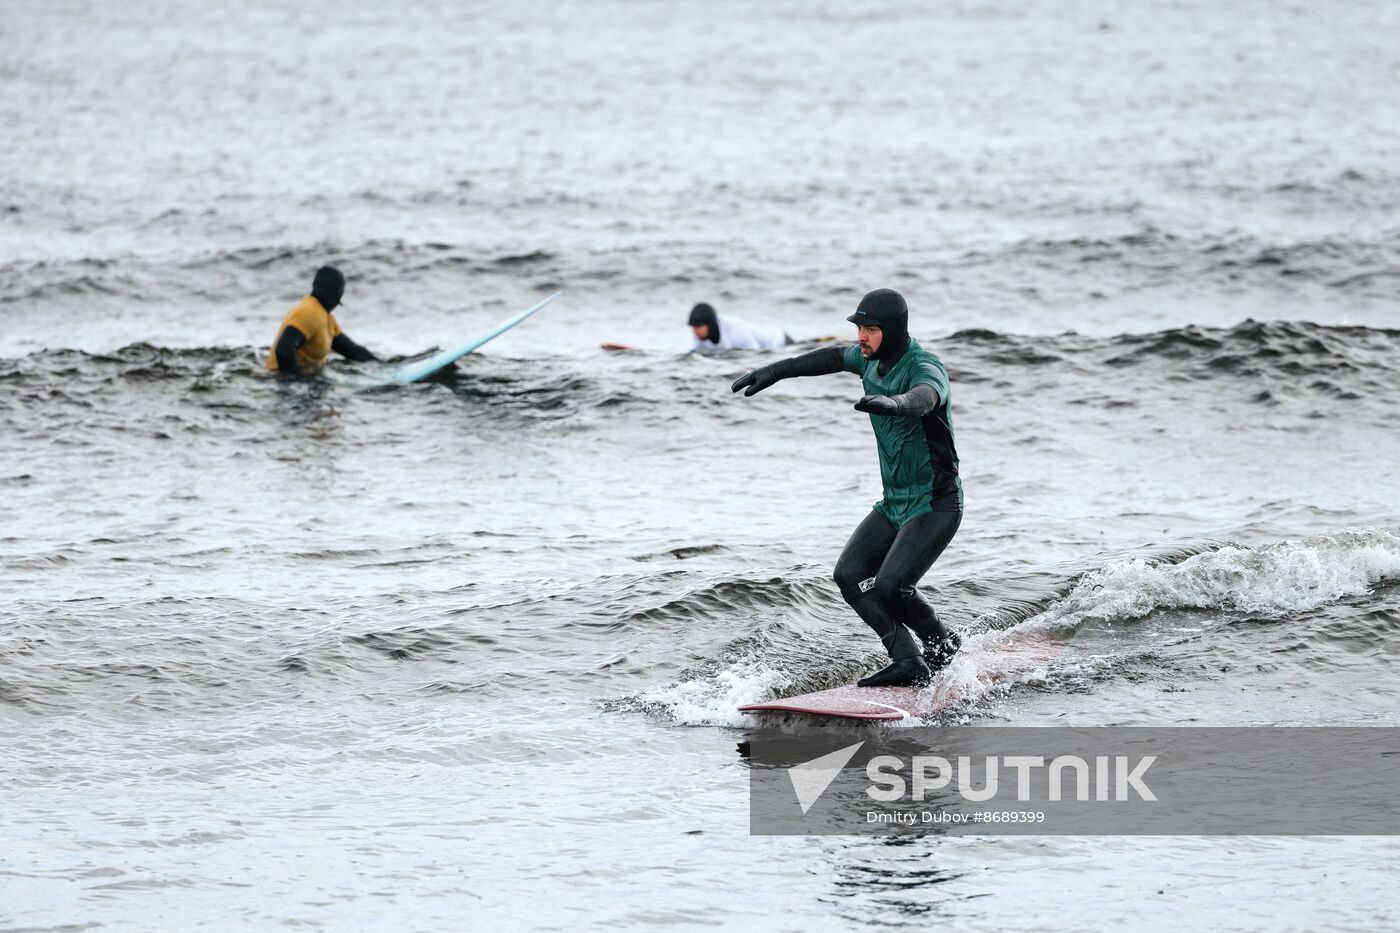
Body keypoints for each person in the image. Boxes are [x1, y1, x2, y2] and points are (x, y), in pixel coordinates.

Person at [731, 288, 962, 687]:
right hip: (895, 502)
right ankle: (907, 659)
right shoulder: (869, 361)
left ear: (892, 330)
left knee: (892, 585)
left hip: (936, 502)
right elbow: (833, 357)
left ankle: (942, 646)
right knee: (850, 573)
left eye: (871, 329)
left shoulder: (925, 365)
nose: (861, 338)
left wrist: (897, 404)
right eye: (860, 328)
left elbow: (927, 395)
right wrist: (776, 370)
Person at [266, 266, 377, 375]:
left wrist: (381, 365)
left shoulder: (326, 318)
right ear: (338, 294)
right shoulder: (308, 313)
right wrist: (295, 384)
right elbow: (283, 350)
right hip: (279, 380)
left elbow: (353, 351)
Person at [688, 302, 789, 354]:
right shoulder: (698, 336)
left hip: (782, 343)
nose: (695, 331)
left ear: (710, 324)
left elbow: (757, 355)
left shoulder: (736, 332)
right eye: (693, 327)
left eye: (698, 326)